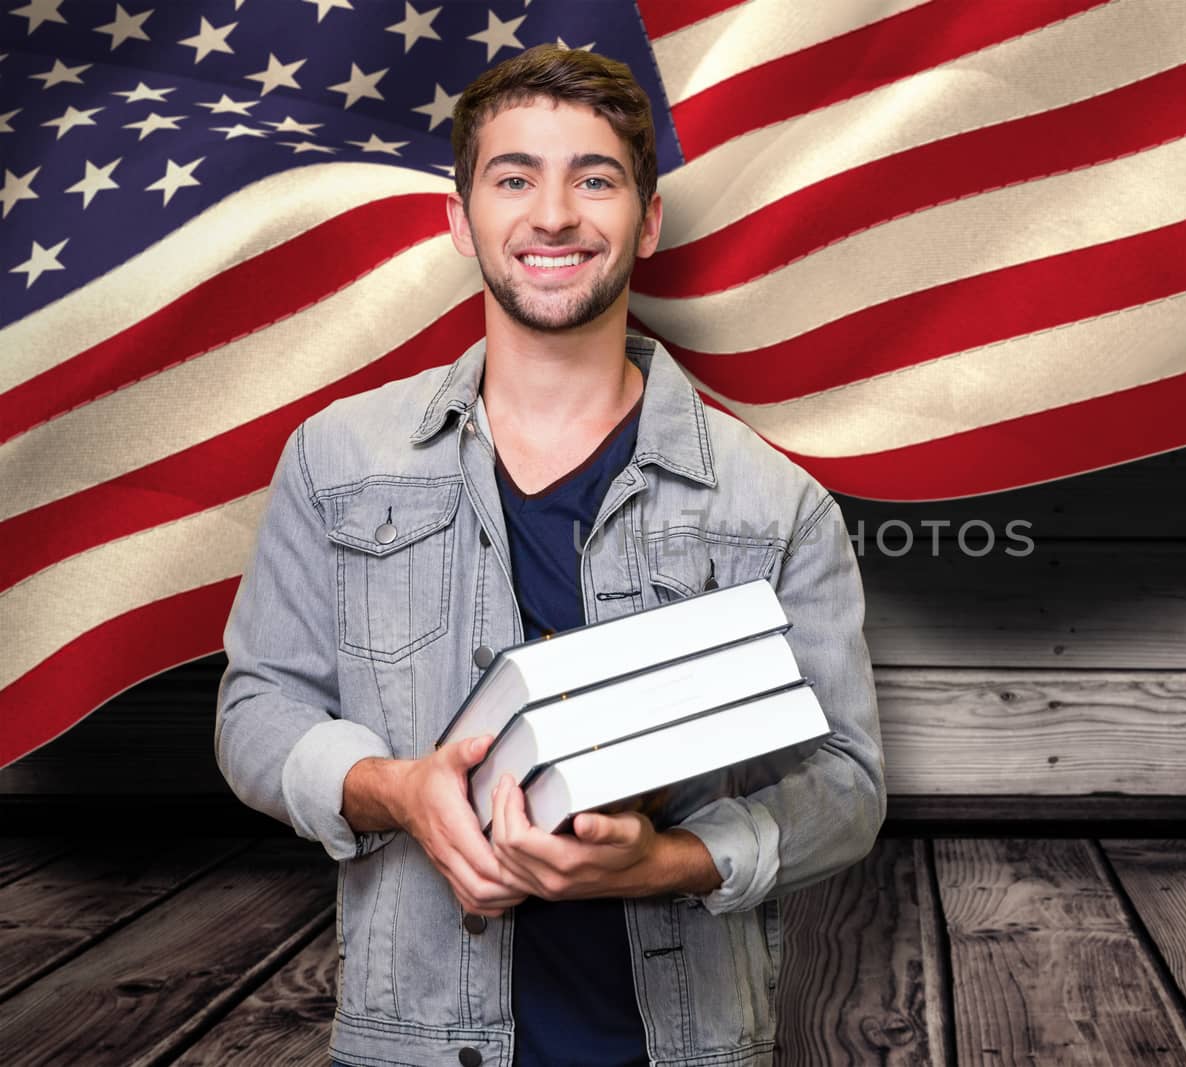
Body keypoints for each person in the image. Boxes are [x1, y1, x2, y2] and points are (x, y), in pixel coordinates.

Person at [215, 44, 886, 1067]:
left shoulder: (776, 501)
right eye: (515, 177)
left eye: (595, 177)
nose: (555, 214)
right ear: (460, 219)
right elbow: (256, 709)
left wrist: (667, 860)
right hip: (415, 1044)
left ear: (646, 220)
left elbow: (846, 781)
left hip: (685, 1045)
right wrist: (399, 790)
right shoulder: (336, 459)